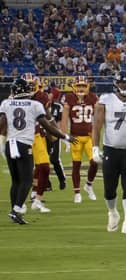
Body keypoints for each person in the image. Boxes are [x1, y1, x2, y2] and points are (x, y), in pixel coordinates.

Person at [0, 77, 77, 224]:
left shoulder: (6, 103)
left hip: (10, 144)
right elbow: (47, 126)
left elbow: (2, 123)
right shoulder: (35, 104)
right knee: (27, 181)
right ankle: (16, 210)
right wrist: (64, 136)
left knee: (15, 181)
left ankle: (15, 211)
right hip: (24, 145)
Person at [92, 70, 126, 234]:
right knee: (110, 188)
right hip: (111, 149)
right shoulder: (105, 100)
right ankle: (113, 212)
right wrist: (95, 147)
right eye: (123, 83)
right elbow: (97, 126)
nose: (125, 86)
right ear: (116, 84)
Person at [61, 75, 99, 203]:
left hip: (89, 137)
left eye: (83, 86)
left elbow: (98, 119)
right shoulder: (69, 98)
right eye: (79, 86)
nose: (81, 88)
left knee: (95, 161)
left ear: (87, 86)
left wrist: (97, 136)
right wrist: (65, 136)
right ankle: (77, 192)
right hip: (75, 137)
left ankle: (88, 185)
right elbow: (64, 119)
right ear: (74, 87)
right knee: (76, 165)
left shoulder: (93, 98)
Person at [23, 73, 53, 213]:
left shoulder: (41, 97)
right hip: (21, 137)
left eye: (31, 85)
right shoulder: (13, 100)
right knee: (22, 171)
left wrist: (54, 130)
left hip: (37, 135)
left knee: (45, 167)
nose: (29, 88)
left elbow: (47, 116)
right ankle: (19, 202)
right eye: (26, 85)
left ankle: (37, 198)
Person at [46, 82, 66, 191]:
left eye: (49, 93)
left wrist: (60, 135)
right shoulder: (40, 104)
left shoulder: (58, 107)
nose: (47, 95)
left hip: (54, 136)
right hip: (43, 135)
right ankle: (46, 183)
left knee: (54, 159)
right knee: (43, 161)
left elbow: (60, 123)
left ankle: (62, 179)